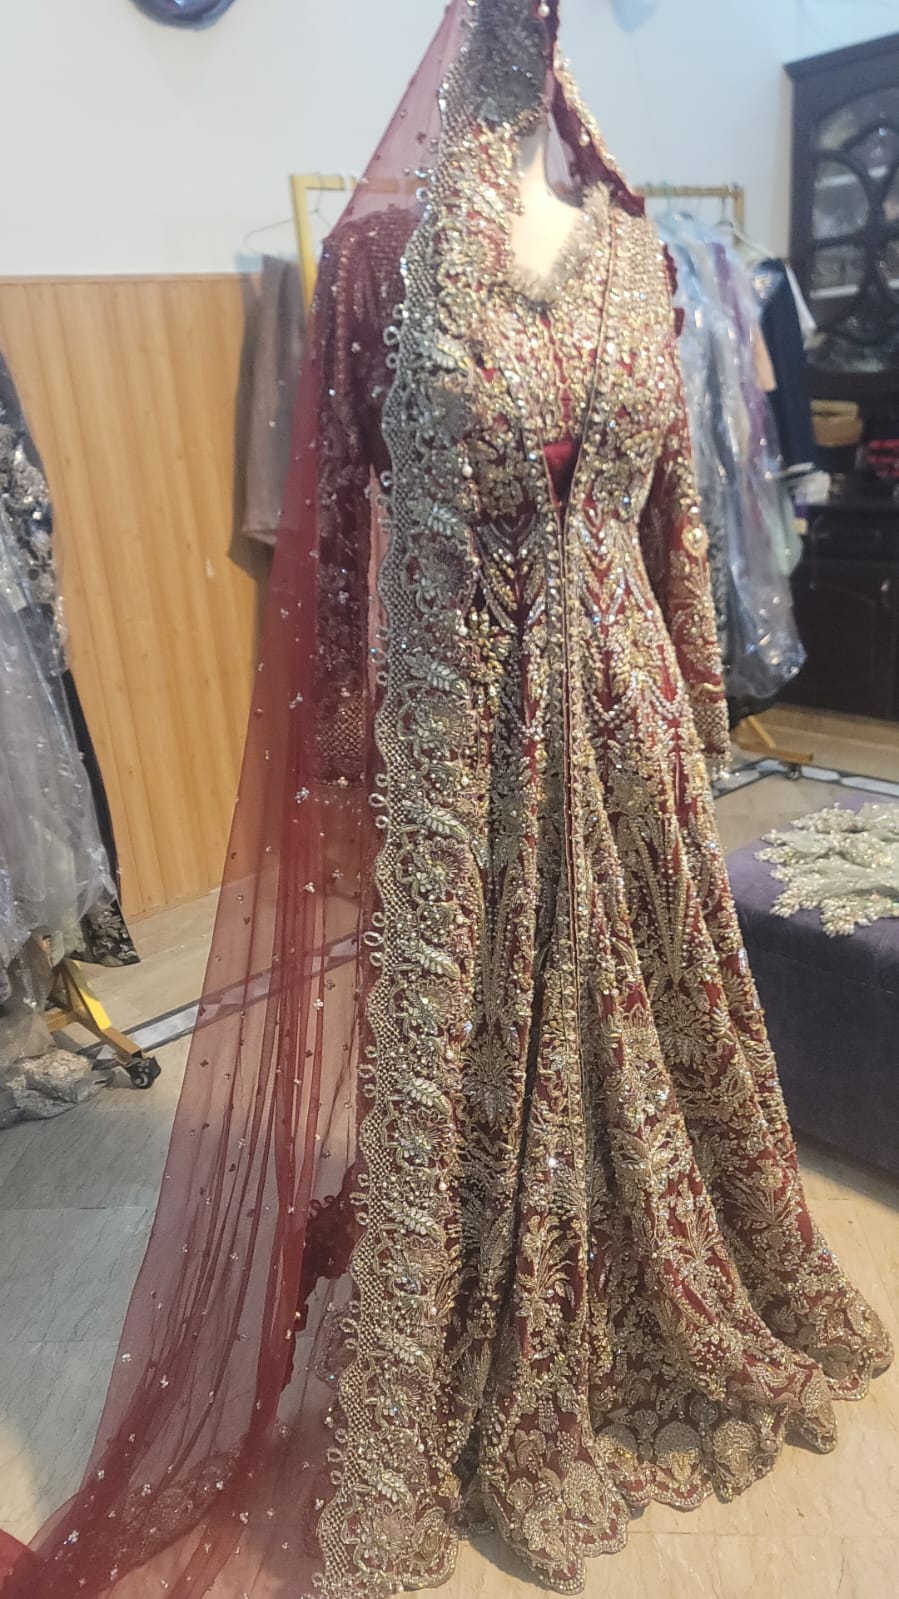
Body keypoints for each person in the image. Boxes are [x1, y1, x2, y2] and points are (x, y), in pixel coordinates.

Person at [1, 4, 890, 1597]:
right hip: (470, 715)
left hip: (625, 713)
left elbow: (678, 517)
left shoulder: (638, 252)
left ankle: (657, 1269)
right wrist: (355, 748)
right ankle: (492, 1306)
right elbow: (341, 530)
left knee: (655, 1008)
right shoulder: (382, 262)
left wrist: (696, 689)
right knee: (476, 1031)